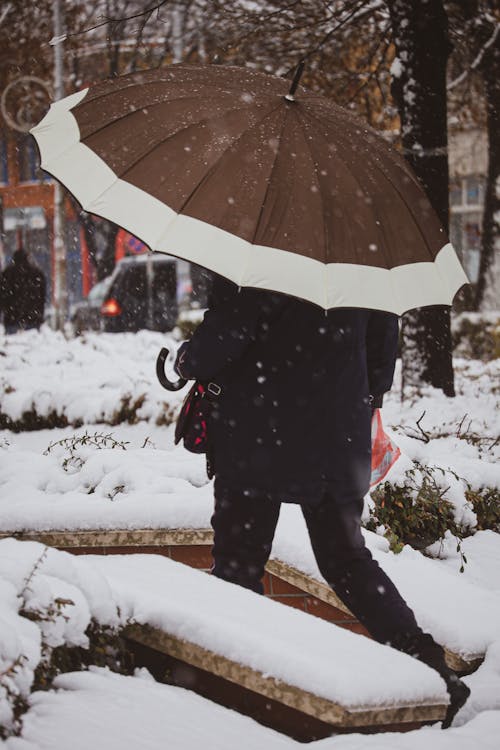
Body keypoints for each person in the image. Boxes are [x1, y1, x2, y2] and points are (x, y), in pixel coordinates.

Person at [174, 275, 470, 728]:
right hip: (337, 436)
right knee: (346, 559)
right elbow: (380, 356)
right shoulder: (360, 252)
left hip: (257, 436)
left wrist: (186, 359)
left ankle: (237, 696)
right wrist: (350, 396)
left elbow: (226, 338)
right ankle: (430, 667)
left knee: (239, 565)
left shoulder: (256, 250)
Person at [0, 247, 46, 334]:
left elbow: (2, 297)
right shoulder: (37, 274)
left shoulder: (6, 274)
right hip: (32, 318)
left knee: (12, 345)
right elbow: (42, 298)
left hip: (12, 317)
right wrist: (39, 315)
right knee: (33, 345)